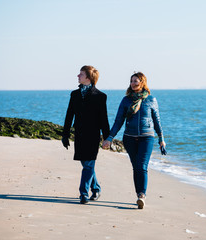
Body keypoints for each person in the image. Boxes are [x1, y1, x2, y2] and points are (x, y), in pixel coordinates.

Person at [102, 72, 166, 209]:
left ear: (142, 82)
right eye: (132, 81)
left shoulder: (151, 100)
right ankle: (139, 194)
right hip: (129, 138)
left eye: (136, 81)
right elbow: (118, 121)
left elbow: (156, 120)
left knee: (142, 166)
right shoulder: (126, 100)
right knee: (136, 167)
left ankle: (142, 195)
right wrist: (110, 138)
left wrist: (161, 138)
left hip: (147, 137)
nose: (133, 83)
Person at [62, 65, 110, 204]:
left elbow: (103, 119)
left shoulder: (100, 96)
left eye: (81, 74)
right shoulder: (74, 94)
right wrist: (65, 134)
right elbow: (69, 115)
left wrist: (107, 138)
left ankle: (83, 193)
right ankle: (96, 189)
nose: (78, 76)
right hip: (79, 134)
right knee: (86, 164)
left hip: (93, 135)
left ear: (88, 78)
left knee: (88, 164)